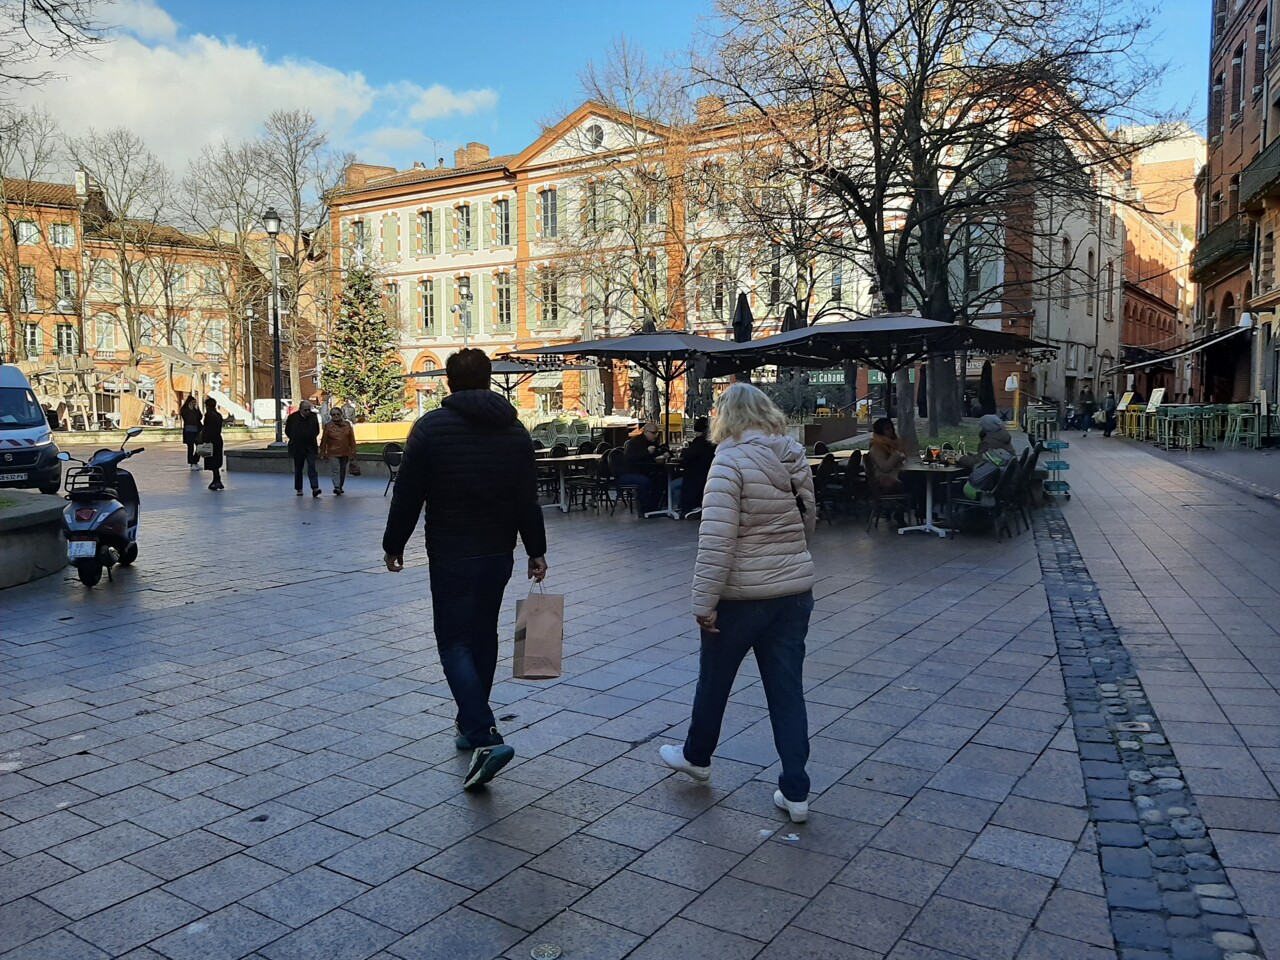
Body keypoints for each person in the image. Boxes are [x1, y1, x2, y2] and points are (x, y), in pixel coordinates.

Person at [382, 349, 548, 791]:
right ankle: (469, 722)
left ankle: (484, 734)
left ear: (449, 382)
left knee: (453, 641)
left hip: (451, 551)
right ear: (489, 379)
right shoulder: (514, 430)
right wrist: (536, 550)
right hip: (497, 551)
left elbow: (408, 494)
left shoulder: (430, 429)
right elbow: (526, 498)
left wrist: (393, 544)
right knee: (483, 636)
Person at [659, 383, 817, 823]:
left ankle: (697, 756)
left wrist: (704, 601)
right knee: (787, 691)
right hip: (792, 593)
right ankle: (796, 790)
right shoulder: (793, 454)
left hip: (742, 596)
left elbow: (717, 539)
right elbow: (808, 519)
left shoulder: (728, 461)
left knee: (715, 680)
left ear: (725, 417)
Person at [620, 421, 666, 514]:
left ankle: (654, 506)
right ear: (645, 432)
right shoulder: (635, 442)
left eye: (657, 433)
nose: (655, 435)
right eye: (653, 433)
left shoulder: (652, 442)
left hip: (645, 470)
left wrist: (664, 453)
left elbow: (657, 451)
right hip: (631, 472)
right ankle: (645, 509)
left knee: (661, 479)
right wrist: (646, 452)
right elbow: (630, 458)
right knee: (646, 481)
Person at [675, 416, 716, 516]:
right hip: (706, 475)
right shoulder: (712, 443)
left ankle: (681, 508)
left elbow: (687, 455)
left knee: (673, 485)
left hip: (696, 478)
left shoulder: (700, 443)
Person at [285, 400, 321, 497]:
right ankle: (299, 488)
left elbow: (317, 430)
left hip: (310, 446)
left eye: (309, 409)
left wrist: (311, 437)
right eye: (306, 410)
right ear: (300, 409)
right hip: (298, 447)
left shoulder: (313, 416)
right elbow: (288, 431)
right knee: (298, 468)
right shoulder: (293, 418)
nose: (308, 412)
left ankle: (315, 487)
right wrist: (295, 439)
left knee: (312, 467)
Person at [320, 406, 357, 496]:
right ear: (331, 416)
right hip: (333, 452)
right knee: (335, 470)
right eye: (333, 414)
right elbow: (324, 440)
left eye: (338, 414)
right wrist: (322, 452)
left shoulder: (347, 425)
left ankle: (340, 486)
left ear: (341, 414)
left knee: (342, 470)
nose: (336, 416)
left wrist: (353, 451)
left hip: (345, 451)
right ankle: (336, 487)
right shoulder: (328, 426)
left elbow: (351, 439)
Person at [202, 397, 224, 491]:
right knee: (216, 459)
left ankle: (216, 479)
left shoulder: (209, 415)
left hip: (211, 440)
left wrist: (204, 439)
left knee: (212, 460)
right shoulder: (218, 415)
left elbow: (207, 429)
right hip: (218, 439)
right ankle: (216, 479)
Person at [180, 396, 202, 470]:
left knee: (199, 446)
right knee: (190, 447)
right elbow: (188, 419)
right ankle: (192, 463)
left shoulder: (195, 409)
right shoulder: (184, 410)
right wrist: (190, 410)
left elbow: (200, 417)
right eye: (192, 402)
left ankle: (195, 461)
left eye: (195, 402)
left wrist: (197, 409)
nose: (194, 404)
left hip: (197, 430)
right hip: (189, 431)